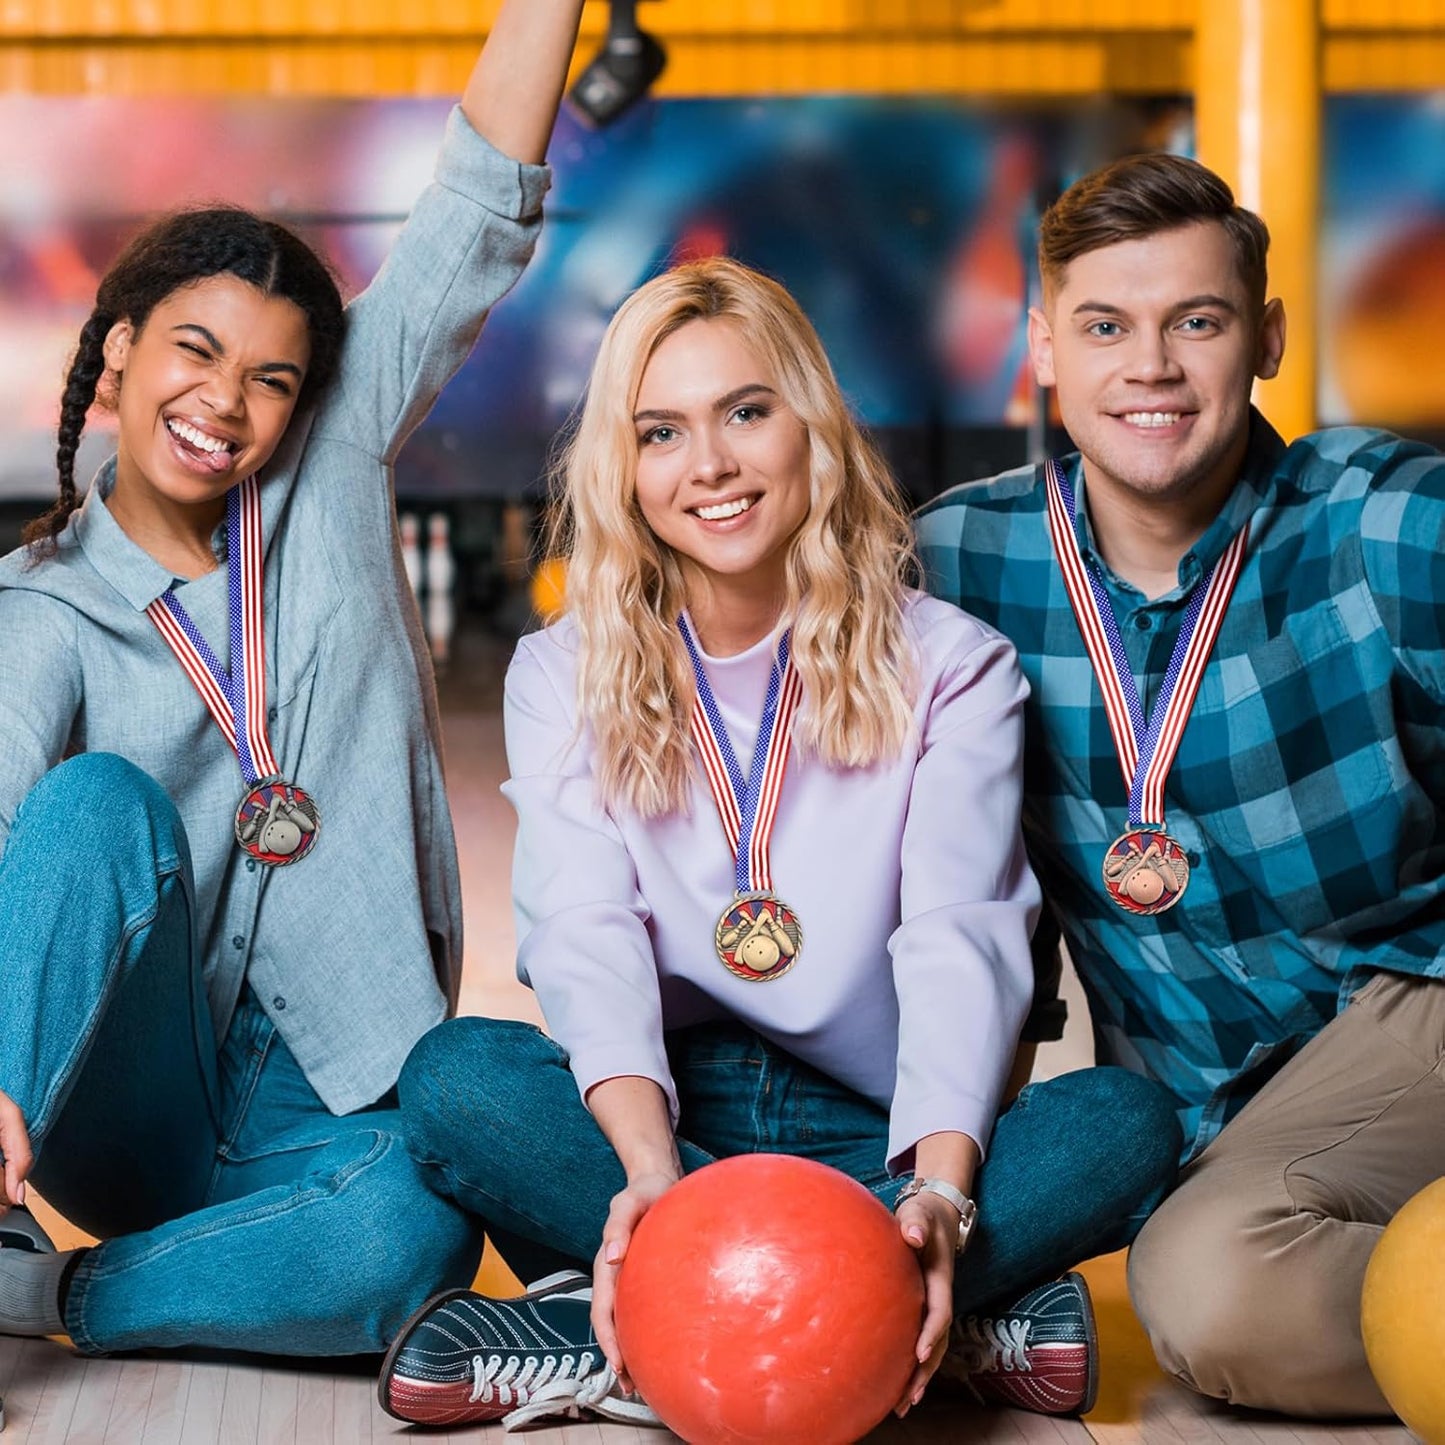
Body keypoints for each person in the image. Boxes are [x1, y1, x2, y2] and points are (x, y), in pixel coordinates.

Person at [377, 257, 1181, 1432]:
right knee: (457, 1081)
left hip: (881, 1121)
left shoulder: (950, 663)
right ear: (624, 464)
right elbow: (584, 928)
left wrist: (940, 1189)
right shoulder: (562, 669)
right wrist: (649, 1172)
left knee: (1124, 1121)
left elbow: (961, 934)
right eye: (661, 431)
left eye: (745, 412)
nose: (707, 464)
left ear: (810, 426)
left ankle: (636, 1327)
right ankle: (908, 1322)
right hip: (668, 1111)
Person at [0, 0, 585, 1361]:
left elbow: (475, 202)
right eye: (195, 352)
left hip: (324, 1093)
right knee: (92, 806)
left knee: (411, 1240)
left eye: (273, 378)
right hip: (123, 1102)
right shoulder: (42, 609)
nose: (227, 403)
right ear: (126, 344)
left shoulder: (328, 467)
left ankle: (52, 1295)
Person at [916, 151, 1445, 1419]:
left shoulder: (1378, 519)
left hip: (1408, 998)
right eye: (1105, 326)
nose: (1147, 366)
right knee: (1202, 1258)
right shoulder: (955, 561)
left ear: (1260, 338)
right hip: (1210, 1105)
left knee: (1206, 1288)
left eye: (1193, 322)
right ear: (1042, 348)